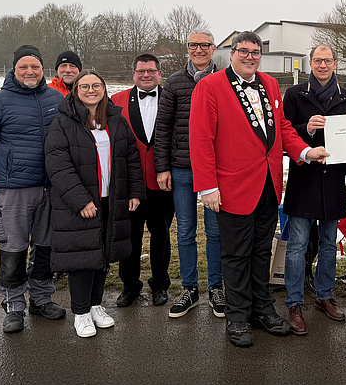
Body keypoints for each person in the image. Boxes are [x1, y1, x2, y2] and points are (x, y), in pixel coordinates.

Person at [189, 31, 328, 347]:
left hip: (268, 185)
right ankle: (237, 316)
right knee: (236, 254)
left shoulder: (270, 84)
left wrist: (306, 152)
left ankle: (261, 309)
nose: (250, 57)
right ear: (232, 53)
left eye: (255, 52)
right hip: (232, 187)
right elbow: (200, 139)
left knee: (261, 251)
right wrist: (208, 186)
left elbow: (282, 129)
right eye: (243, 51)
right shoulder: (209, 86)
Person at [45, 71, 145, 338]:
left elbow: (131, 158)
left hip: (111, 199)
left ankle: (95, 305)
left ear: (104, 88)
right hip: (80, 203)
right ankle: (81, 313)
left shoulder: (116, 120)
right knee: (82, 257)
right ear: (76, 91)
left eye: (96, 85)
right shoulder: (63, 123)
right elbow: (58, 166)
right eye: (85, 86)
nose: (91, 90)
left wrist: (134, 193)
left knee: (102, 253)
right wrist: (81, 200)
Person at [0, 45, 67, 333]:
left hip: (49, 187)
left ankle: (41, 299)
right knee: (13, 249)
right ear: (14, 69)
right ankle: (14, 305)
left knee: (46, 247)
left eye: (35, 66)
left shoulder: (55, 98)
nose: (30, 71)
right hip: (13, 190)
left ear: (42, 69)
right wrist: (5, 170)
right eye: (23, 67)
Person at [282, 44, 346, 335]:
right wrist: (307, 129)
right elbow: (285, 134)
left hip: (333, 180)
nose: (322, 65)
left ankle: (324, 295)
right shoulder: (294, 94)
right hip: (304, 180)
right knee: (297, 246)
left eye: (327, 60)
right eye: (317, 60)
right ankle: (294, 303)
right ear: (310, 63)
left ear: (336, 63)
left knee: (328, 245)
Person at [155, 30, 225, 318]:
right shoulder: (174, 83)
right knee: (185, 230)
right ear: (187, 48)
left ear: (213, 48)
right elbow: (163, 127)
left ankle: (216, 287)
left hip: (215, 169)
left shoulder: (224, 81)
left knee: (215, 231)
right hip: (182, 168)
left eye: (204, 45)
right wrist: (162, 167)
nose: (199, 50)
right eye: (194, 45)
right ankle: (190, 288)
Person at [111, 54, 175, 308]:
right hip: (130, 185)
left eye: (151, 70)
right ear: (133, 74)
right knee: (131, 237)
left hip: (163, 182)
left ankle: (160, 284)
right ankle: (130, 285)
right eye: (141, 71)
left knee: (161, 235)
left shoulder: (172, 99)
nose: (146, 75)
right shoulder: (116, 101)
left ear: (160, 73)